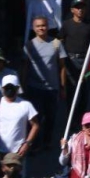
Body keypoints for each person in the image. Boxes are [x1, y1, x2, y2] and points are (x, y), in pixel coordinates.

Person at [0, 74, 39, 178]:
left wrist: (27, 143)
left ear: (17, 88)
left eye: (12, 87)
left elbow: (35, 125)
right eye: (7, 87)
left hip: (18, 153)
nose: (9, 90)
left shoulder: (25, 105)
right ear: (2, 88)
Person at [22, 16, 67, 149]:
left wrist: (62, 87)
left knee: (51, 117)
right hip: (35, 88)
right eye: (38, 26)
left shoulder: (56, 43)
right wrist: (22, 86)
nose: (41, 28)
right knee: (35, 118)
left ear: (47, 26)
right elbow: (25, 66)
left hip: (52, 88)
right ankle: (34, 144)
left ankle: (47, 141)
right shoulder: (29, 45)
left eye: (43, 25)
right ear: (33, 28)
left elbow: (62, 66)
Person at [59, 0, 90, 117]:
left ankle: (81, 117)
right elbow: (60, 41)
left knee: (85, 92)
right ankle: (72, 118)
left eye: (82, 7)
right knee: (72, 92)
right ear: (72, 10)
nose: (80, 10)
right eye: (77, 7)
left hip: (86, 61)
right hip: (71, 61)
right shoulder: (66, 25)